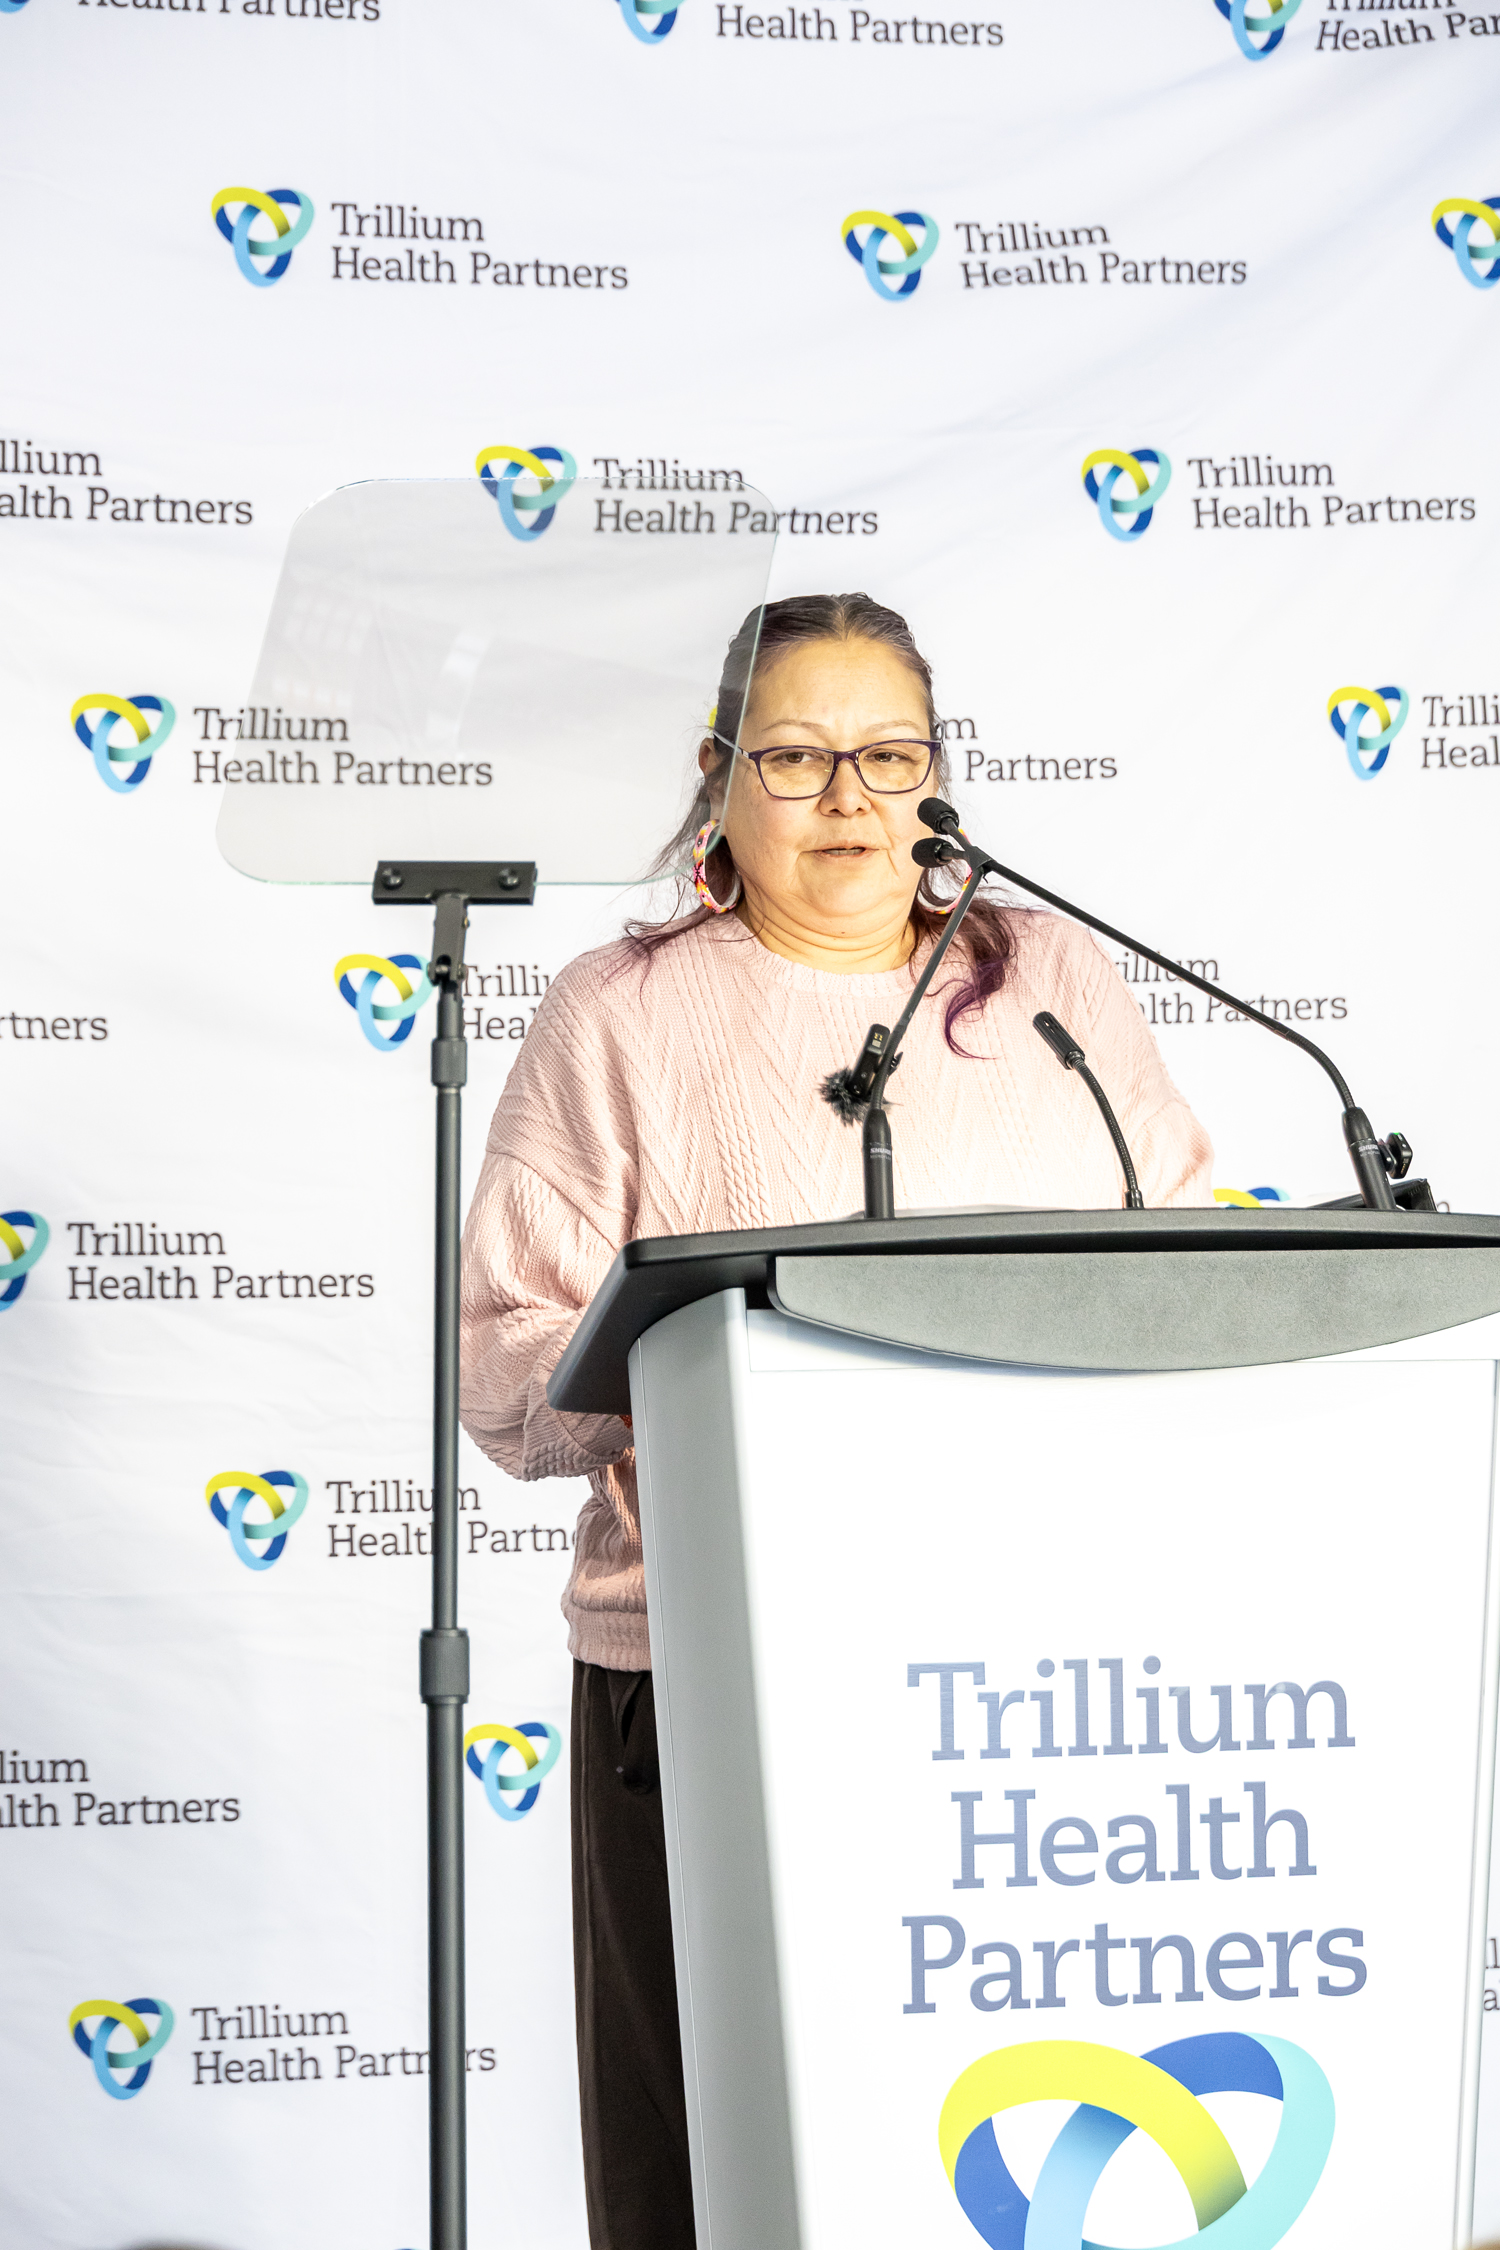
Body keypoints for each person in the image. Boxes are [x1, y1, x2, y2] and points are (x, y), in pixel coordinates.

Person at [458, 592, 1213, 2250]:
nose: (852, 796)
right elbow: (507, 1373)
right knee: (718, 2157)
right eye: (798, 756)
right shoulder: (618, 1012)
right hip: (712, 1675)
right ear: (718, 777)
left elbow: (1186, 1262)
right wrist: (687, 1354)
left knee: (1011, 2149)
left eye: (890, 753)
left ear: (939, 775)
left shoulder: (1052, 982)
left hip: (1047, 1687)